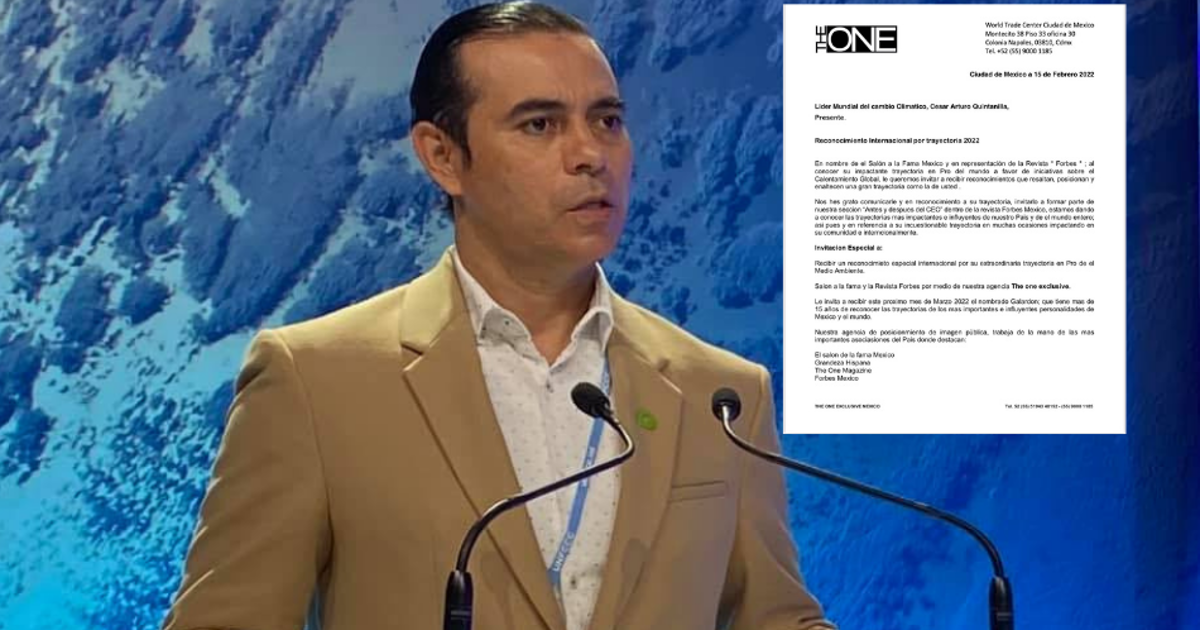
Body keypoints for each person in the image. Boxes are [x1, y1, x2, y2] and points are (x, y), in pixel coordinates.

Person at [160, 2, 835, 629]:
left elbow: (776, 619)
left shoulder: (723, 396)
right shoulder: (314, 382)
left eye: (607, 120)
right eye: (540, 124)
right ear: (443, 156)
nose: (590, 154)